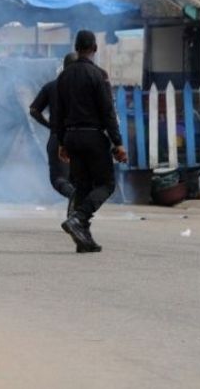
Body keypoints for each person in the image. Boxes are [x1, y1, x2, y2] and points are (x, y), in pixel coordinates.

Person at [56, 30, 128, 253]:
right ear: (94, 49)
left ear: (76, 47)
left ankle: (83, 238)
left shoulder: (63, 76)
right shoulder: (99, 75)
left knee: (83, 186)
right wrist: (118, 142)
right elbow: (107, 112)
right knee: (106, 184)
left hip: (72, 137)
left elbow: (58, 113)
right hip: (93, 136)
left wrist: (61, 142)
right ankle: (79, 218)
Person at [29, 52, 78, 205]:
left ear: (64, 67)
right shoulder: (87, 88)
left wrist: (48, 125)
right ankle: (76, 215)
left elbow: (34, 110)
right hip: (84, 138)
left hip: (58, 137)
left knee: (58, 178)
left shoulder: (51, 86)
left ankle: (73, 196)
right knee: (78, 179)